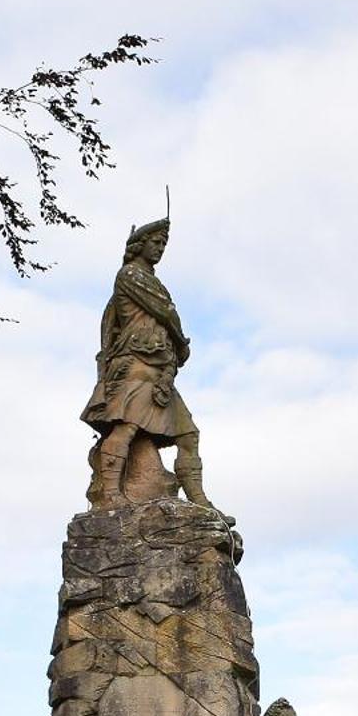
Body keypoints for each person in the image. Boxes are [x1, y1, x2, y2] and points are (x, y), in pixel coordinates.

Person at [80, 217, 224, 514]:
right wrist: (181, 340)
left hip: (161, 372)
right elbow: (166, 312)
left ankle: (199, 499)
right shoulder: (131, 275)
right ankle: (111, 495)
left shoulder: (152, 280)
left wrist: (173, 358)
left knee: (188, 434)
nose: (160, 249)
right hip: (136, 365)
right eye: (155, 243)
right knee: (127, 427)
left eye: (163, 245)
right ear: (139, 245)